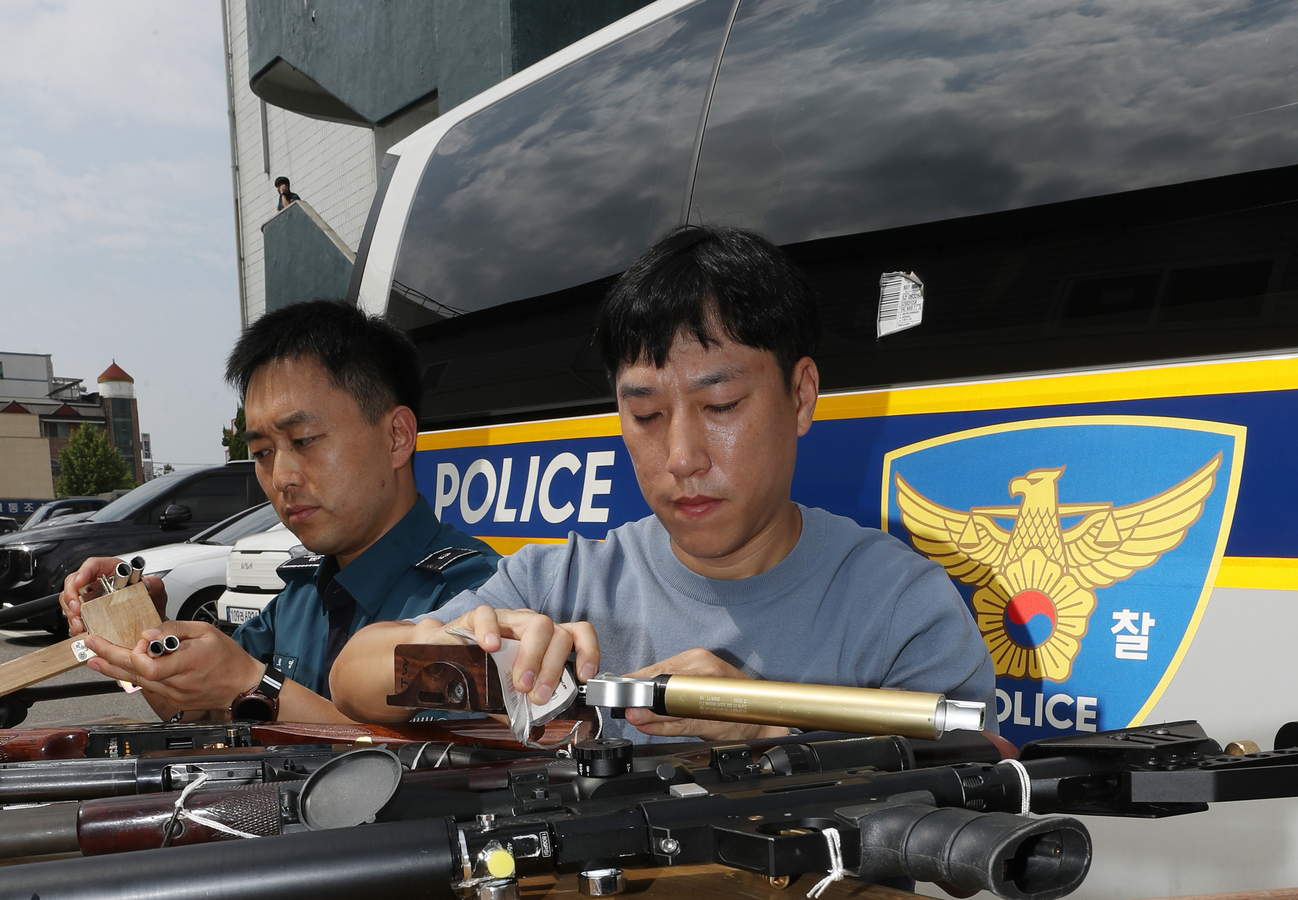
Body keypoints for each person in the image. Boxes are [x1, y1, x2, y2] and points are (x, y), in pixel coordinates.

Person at [330, 226, 994, 742]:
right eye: (646, 415)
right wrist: (466, 663)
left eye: (722, 406)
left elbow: (968, 815)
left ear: (800, 395)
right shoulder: (564, 584)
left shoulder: (903, 610)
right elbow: (352, 678)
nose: (680, 457)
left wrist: (765, 729)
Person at [61, 300, 498, 723]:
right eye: (262, 451)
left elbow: (454, 769)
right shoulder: (306, 594)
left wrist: (257, 686)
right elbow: (197, 709)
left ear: (398, 437)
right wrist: (142, 633)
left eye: (304, 440)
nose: (282, 477)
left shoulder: (477, 597)